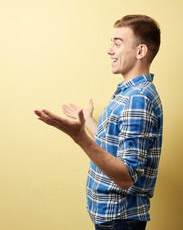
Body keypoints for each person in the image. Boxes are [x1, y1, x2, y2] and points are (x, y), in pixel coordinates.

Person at [34, 14, 163, 230]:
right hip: (114, 218)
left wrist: (80, 137)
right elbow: (116, 148)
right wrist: (89, 123)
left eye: (118, 43)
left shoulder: (137, 99)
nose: (110, 50)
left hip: (120, 219)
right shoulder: (130, 93)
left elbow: (127, 177)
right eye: (111, 43)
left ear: (140, 51)